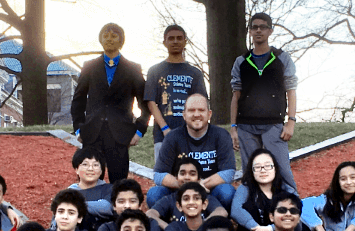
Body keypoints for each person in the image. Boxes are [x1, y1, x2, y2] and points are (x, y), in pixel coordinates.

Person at [71, 23, 150, 183]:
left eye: (114, 36)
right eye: (105, 36)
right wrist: (79, 129)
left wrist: (139, 131)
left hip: (120, 135)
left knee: (119, 183)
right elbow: (78, 100)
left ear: (121, 41)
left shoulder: (133, 69)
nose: (109, 39)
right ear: (101, 40)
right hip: (92, 132)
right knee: (89, 180)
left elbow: (145, 104)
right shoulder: (89, 67)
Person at [229, 12, 298, 191]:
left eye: (263, 27)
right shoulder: (241, 61)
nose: (258, 30)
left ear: (270, 31)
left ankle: (293, 208)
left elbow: (291, 90)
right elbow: (236, 95)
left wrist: (291, 121)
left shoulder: (282, 58)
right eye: (254, 27)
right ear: (250, 31)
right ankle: (253, 210)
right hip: (245, 126)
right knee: (251, 172)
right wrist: (234, 128)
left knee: (282, 171)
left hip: (274, 124)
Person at [148, 93, 236, 209]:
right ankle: (170, 225)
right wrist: (185, 185)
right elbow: (159, 175)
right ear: (184, 115)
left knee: (227, 192)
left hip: (210, 191)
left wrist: (200, 185)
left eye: (201, 110)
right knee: (154, 194)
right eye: (191, 110)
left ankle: (218, 223)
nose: (196, 114)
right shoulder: (172, 137)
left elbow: (228, 172)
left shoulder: (221, 135)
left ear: (209, 114)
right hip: (179, 192)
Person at [144, 24, 208, 164]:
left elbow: (201, 103)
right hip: (163, 136)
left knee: (191, 179)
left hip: (191, 135)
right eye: (171, 38)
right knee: (164, 179)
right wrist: (165, 129)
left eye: (179, 38)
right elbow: (151, 102)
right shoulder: (155, 71)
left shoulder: (195, 73)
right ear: (165, 42)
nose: (175, 41)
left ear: (185, 41)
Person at [230, 148, 295, 231]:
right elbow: (236, 210)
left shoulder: (285, 189)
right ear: (252, 171)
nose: (263, 170)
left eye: (267, 166)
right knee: (249, 207)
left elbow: (298, 213)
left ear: (275, 168)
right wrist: (256, 229)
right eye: (257, 167)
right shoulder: (245, 188)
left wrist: (271, 229)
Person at [147, 155, 227, 230]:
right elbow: (150, 214)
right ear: (176, 178)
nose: (187, 177)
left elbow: (222, 212)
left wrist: (201, 226)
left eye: (192, 174)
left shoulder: (205, 197)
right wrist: (169, 228)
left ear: (199, 179)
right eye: (182, 173)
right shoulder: (170, 199)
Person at [64, 147, 113, 231]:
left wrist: (75, 205)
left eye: (95, 165)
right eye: (85, 164)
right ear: (76, 169)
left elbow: (107, 207)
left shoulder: (109, 188)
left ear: (101, 170)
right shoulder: (70, 192)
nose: (90, 169)